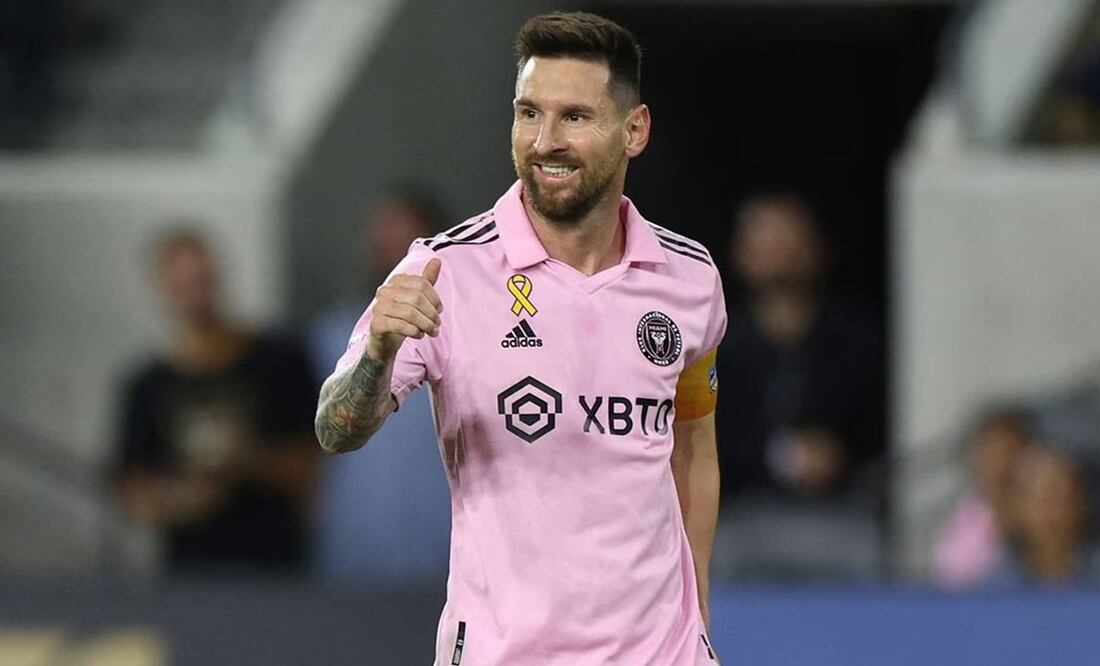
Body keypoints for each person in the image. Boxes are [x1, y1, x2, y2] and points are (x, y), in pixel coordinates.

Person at [314, 12, 726, 665]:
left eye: (574, 117)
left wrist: (698, 615)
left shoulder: (690, 278)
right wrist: (378, 352)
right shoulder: (444, 269)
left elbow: (693, 449)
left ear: (635, 130)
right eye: (528, 113)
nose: (544, 141)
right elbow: (336, 430)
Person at [115, 228, 319, 574]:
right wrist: (179, 499)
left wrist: (245, 462)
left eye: (201, 281)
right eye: (183, 284)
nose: (195, 295)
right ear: (163, 289)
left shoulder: (279, 361)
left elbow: (315, 460)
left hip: (274, 565)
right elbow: (133, 489)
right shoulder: (146, 386)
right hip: (190, 572)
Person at [713, 194, 886, 580]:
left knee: (869, 552)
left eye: (791, 243)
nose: (782, 258)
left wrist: (838, 457)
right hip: (743, 515)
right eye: (769, 245)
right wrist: (779, 457)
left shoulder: (857, 340)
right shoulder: (717, 343)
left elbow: (880, 435)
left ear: (817, 249)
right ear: (741, 254)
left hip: (838, 515)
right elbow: (701, 444)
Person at [309, 188, 452, 584]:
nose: (391, 251)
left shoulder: (471, 329)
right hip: (353, 553)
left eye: (406, 238)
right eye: (382, 236)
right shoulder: (329, 335)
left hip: (448, 557)